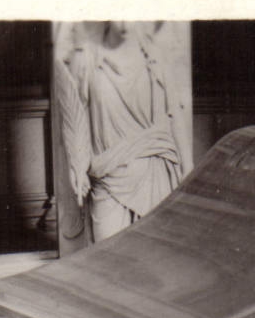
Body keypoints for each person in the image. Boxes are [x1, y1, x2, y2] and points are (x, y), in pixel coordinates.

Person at [56, 21, 191, 243]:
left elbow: (174, 114)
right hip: (108, 177)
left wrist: (188, 169)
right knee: (107, 260)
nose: (126, 21)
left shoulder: (154, 59)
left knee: (153, 259)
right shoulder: (87, 61)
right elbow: (76, 117)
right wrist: (77, 165)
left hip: (153, 172)